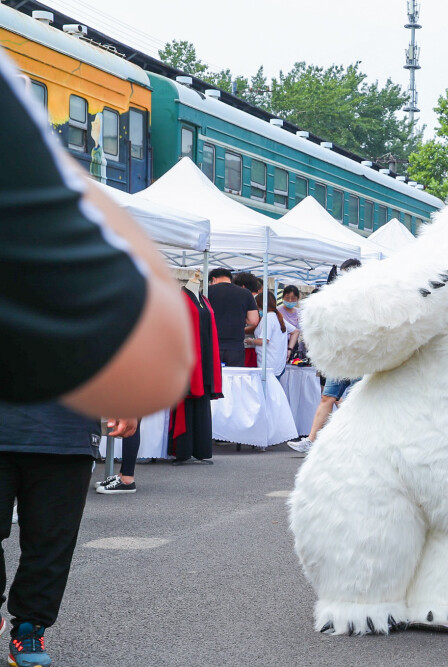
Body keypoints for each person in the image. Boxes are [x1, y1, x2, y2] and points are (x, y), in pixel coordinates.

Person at [0, 51, 192, 667]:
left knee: (50, 542)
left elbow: (140, 354)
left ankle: (29, 626)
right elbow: (158, 352)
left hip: (59, 426)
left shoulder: (49, 243)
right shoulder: (47, 211)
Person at [291, 259, 361, 454]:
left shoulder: (364, 297)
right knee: (328, 397)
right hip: (339, 357)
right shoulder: (337, 298)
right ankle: (311, 440)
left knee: (358, 399)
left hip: (359, 358)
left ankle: (358, 440)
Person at [169, 279, 223, 465]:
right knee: (186, 403)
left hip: (205, 358)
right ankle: (182, 450)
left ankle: (201, 450)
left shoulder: (204, 299)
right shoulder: (180, 298)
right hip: (189, 359)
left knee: (201, 404)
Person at [207, 268, 259, 367]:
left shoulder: (207, 291)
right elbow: (253, 320)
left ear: (213, 279)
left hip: (212, 345)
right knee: (235, 378)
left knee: (213, 379)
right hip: (236, 346)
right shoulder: (246, 293)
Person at [251, 291, 298, 379]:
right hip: (278, 363)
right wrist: (289, 349)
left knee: (268, 391)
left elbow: (264, 340)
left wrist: (250, 341)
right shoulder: (276, 316)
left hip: (268, 364)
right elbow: (295, 331)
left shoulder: (268, 318)